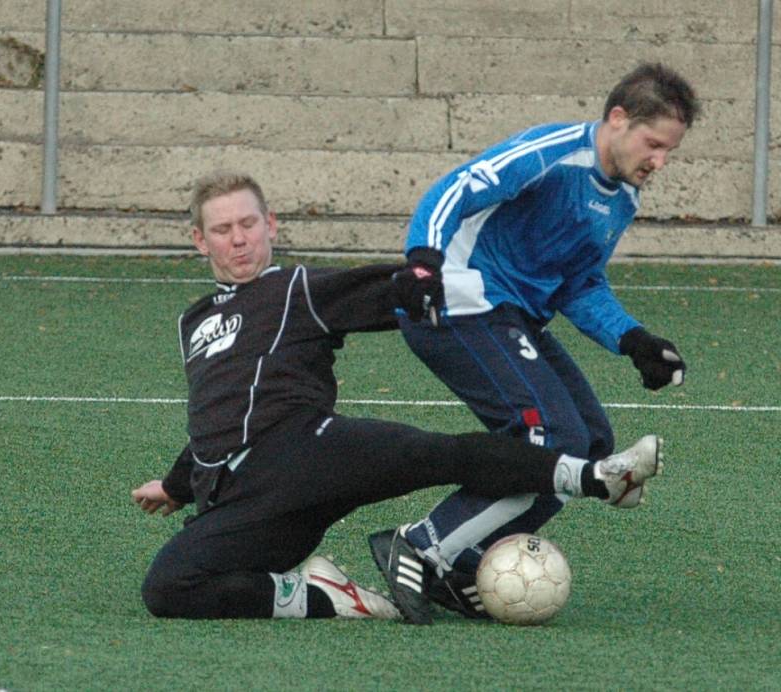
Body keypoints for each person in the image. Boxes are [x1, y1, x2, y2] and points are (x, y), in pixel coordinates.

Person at [131, 170, 664, 624]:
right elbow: (216, 410)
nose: (239, 239)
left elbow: (389, 292)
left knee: (436, 454)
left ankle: (597, 476)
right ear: (201, 240)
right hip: (247, 502)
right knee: (166, 589)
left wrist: (428, 282)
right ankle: (321, 596)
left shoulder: (296, 289)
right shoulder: (194, 320)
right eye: (222, 230)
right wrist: (178, 485)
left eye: (248, 224)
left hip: (306, 452)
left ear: (270, 226)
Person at [371, 62, 699, 622]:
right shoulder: (552, 153)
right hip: (457, 302)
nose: (659, 161)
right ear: (617, 119)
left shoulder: (622, 198)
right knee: (546, 435)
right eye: (653, 144)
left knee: (591, 441)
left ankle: (462, 561)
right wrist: (422, 264)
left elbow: (580, 282)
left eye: (670, 151)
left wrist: (633, 339)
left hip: (513, 318)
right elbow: (456, 189)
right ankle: (423, 543)